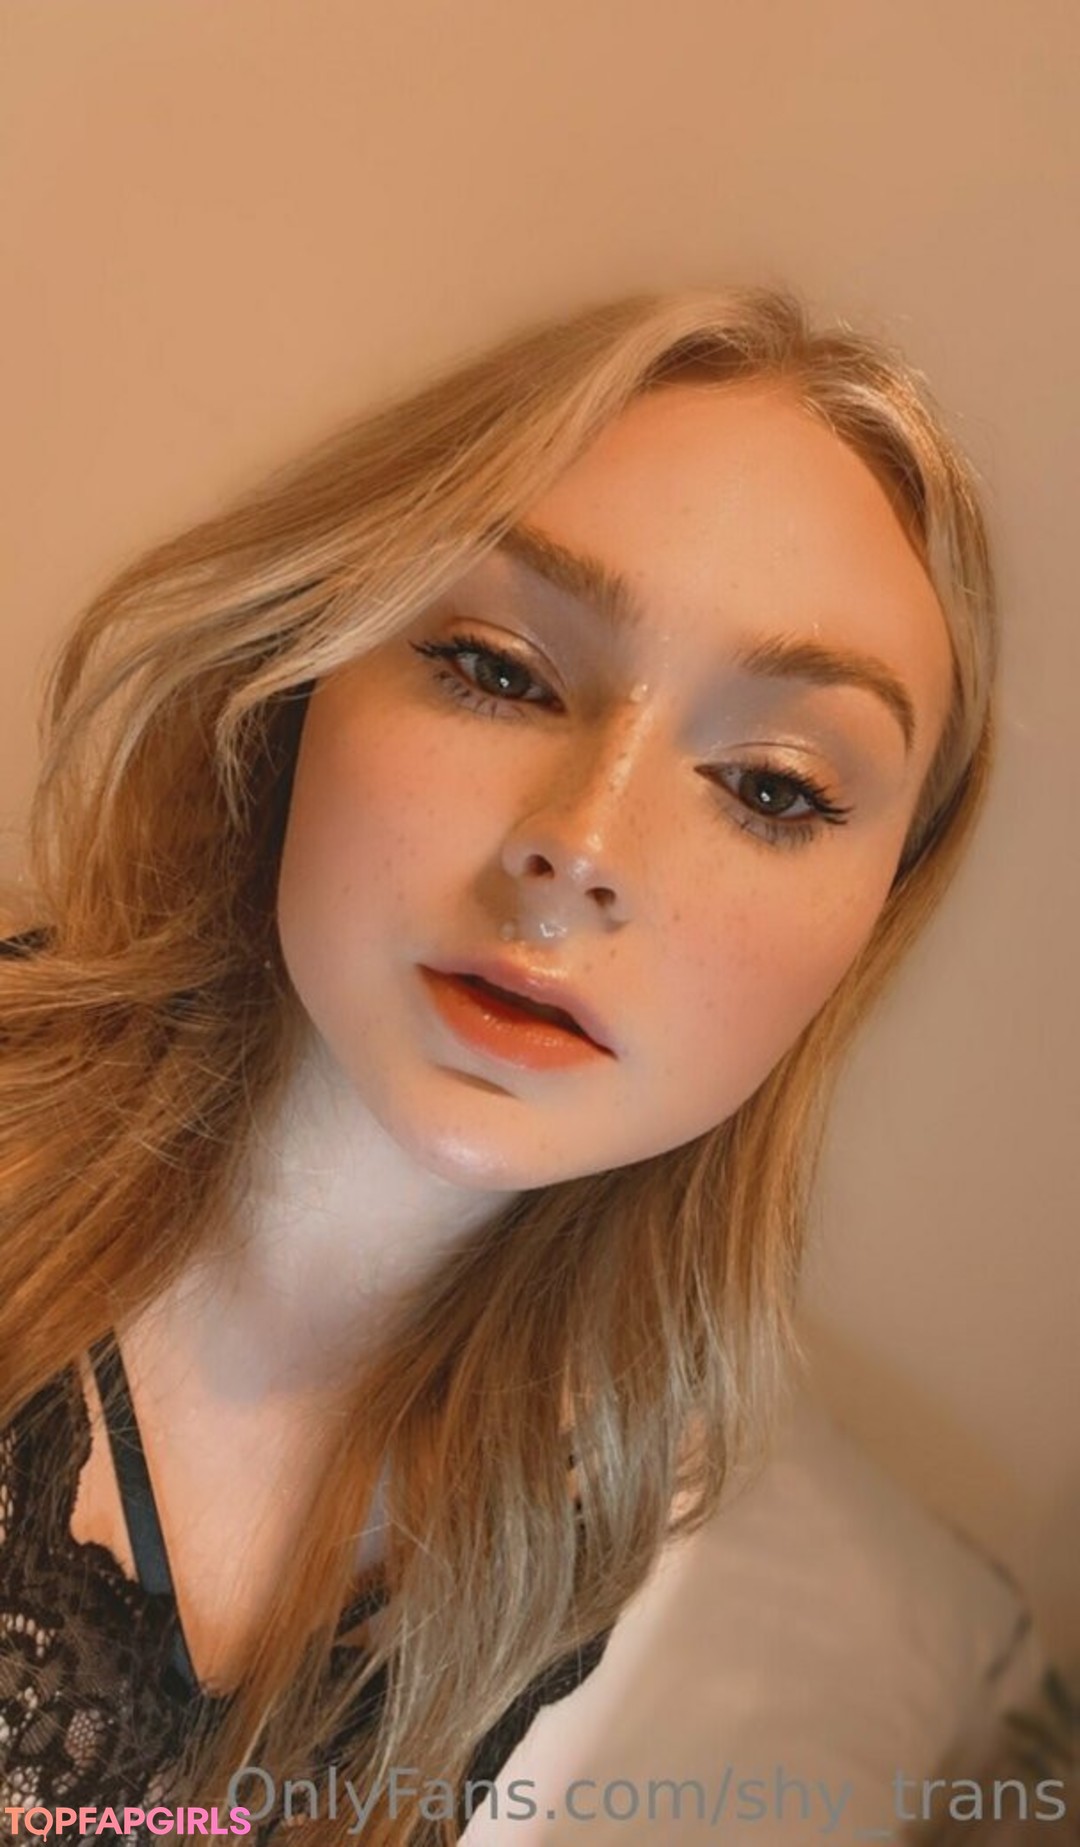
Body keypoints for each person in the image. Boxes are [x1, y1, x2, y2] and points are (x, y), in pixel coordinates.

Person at [0, 285, 998, 1845]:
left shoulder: (587, 1498)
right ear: (308, 671)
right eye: (501, 669)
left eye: (773, 787)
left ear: (870, 923)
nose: (586, 846)